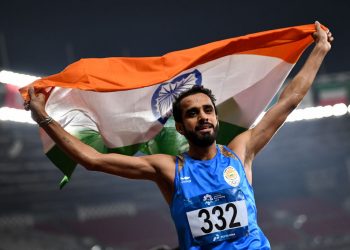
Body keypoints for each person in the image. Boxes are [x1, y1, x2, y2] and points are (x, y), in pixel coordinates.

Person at [25, 21, 333, 249]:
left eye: (207, 110)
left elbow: (289, 100)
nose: (203, 117)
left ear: (216, 117)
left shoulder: (240, 151)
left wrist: (319, 49)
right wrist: (44, 118)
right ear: (181, 127)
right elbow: (93, 160)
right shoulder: (168, 168)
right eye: (192, 113)